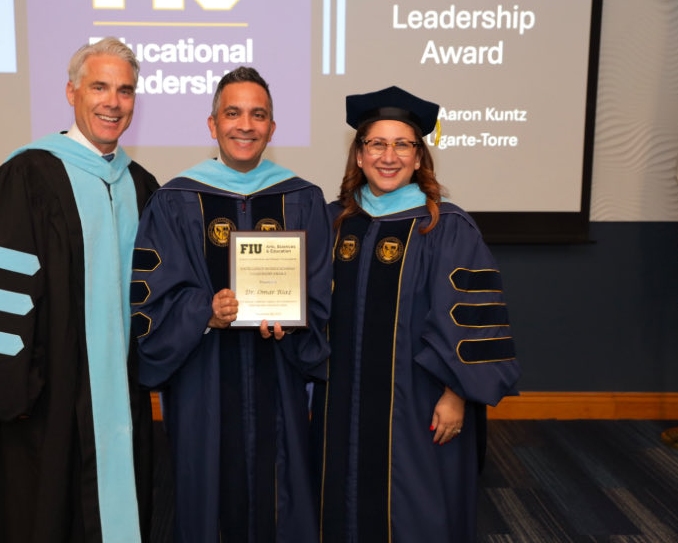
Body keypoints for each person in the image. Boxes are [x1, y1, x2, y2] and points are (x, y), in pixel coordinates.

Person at [0, 37, 160, 543]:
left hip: (121, 390)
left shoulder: (140, 185)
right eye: (99, 86)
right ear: (71, 92)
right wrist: (7, 386)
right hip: (46, 394)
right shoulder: (26, 176)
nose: (112, 101)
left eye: (125, 91)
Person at [310, 86, 521, 543]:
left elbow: (471, 321)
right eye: (377, 144)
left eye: (403, 144)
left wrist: (457, 394)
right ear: (360, 156)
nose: (390, 156)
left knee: (417, 511)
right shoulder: (332, 223)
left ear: (420, 157)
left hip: (419, 404)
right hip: (338, 404)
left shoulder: (446, 228)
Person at [131, 66, 331, 542]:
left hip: (278, 377)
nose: (246, 125)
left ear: (273, 128)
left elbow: (322, 290)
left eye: (258, 115)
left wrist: (295, 321)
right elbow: (152, 295)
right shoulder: (175, 199)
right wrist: (206, 312)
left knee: (281, 488)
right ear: (212, 124)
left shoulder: (303, 198)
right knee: (207, 491)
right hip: (204, 377)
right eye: (233, 113)